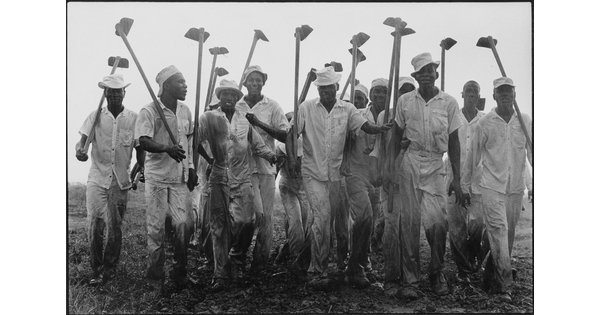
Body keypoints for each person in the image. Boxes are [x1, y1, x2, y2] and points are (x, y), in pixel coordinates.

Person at [286, 66, 392, 291]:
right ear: (318, 89)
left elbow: (364, 126)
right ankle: (317, 271)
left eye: (330, 87)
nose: (326, 91)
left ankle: (344, 265)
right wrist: (293, 158)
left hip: (336, 175)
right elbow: (291, 134)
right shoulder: (305, 108)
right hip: (313, 172)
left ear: (336, 87)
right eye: (322, 88)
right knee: (322, 219)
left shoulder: (348, 109)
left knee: (339, 223)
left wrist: (379, 128)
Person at [388, 53, 465, 299]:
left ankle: (436, 272)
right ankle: (410, 280)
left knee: (438, 222)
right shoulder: (405, 101)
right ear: (416, 76)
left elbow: (454, 143)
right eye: (421, 72)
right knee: (409, 223)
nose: (426, 76)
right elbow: (395, 136)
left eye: (429, 71)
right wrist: (390, 168)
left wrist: (458, 178)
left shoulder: (449, 102)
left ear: (436, 74)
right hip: (410, 161)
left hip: (435, 164)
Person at [197, 79, 281, 290]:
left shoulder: (244, 121)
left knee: (247, 221)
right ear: (220, 96)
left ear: (237, 98)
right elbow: (195, 143)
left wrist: (272, 156)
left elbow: (258, 146)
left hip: (242, 177)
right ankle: (220, 274)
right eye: (225, 94)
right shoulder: (208, 118)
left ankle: (236, 258)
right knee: (218, 226)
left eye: (233, 95)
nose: (229, 98)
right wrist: (209, 160)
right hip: (219, 177)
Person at [461, 77, 532, 302]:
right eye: (500, 92)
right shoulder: (485, 123)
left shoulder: (525, 121)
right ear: (493, 96)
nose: (505, 95)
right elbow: (473, 156)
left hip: (515, 188)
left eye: (509, 91)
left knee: (507, 237)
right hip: (491, 187)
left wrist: (534, 185)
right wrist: (464, 185)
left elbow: (531, 154)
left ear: (514, 95)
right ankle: (505, 287)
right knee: (499, 232)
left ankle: (490, 275)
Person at [75, 74, 143, 285]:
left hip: (120, 180)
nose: (114, 96)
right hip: (97, 177)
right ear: (105, 94)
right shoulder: (95, 116)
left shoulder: (134, 118)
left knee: (114, 228)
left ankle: (109, 271)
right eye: (110, 92)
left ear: (124, 93)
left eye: (118, 91)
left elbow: (141, 151)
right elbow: (81, 143)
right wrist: (80, 152)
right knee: (95, 226)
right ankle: (96, 271)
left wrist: (140, 171)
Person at [135, 65, 198, 290]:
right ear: (166, 86)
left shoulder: (186, 111)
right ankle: (155, 277)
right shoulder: (149, 111)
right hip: (157, 178)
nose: (185, 86)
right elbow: (143, 141)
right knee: (157, 229)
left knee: (184, 225)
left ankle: (180, 273)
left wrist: (191, 167)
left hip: (179, 177)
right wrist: (166, 148)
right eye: (180, 82)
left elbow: (189, 143)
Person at [236, 65, 290, 273]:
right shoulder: (237, 106)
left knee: (266, 217)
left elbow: (285, 136)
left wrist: (259, 124)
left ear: (264, 82)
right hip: (242, 169)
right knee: (248, 217)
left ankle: (259, 265)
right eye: (251, 80)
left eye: (259, 80)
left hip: (266, 168)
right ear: (245, 83)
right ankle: (237, 257)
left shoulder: (273, 106)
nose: (255, 83)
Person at [368, 76, 416, 297]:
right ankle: (391, 278)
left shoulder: (416, 113)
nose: (406, 95)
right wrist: (378, 171)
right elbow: (378, 148)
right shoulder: (384, 116)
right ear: (396, 94)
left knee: (409, 229)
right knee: (391, 228)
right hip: (390, 178)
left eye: (410, 91)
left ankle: (410, 278)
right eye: (402, 91)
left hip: (412, 180)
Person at [341, 78, 389, 288]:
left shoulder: (390, 117)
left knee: (368, 223)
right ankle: (354, 268)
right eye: (376, 92)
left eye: (383, 92)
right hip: (355, 172)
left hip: (374, 177)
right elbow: (347, 140)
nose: (379, 96)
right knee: (364, 216)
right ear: (371, 95)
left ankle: (363, 262)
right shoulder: (359, 115)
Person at [445, 80, 490, 284]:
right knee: (456, 228)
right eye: (468, 90)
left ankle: (474, 258)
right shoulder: (453, 118)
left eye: (475, 90)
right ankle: (463, 271)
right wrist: (453, 179)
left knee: (477, 224)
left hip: (479, 183)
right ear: (462, 94)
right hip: (454, 180)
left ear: (479, 96)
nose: (471, 93)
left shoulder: (486, 120)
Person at [272, 112, 311, 266]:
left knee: (305, 224)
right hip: (287, 186)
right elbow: (275, 169)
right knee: (296, 224)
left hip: (304, 187)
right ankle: (296, 259)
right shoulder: (280, 147)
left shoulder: (307, 143)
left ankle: (284, 250)